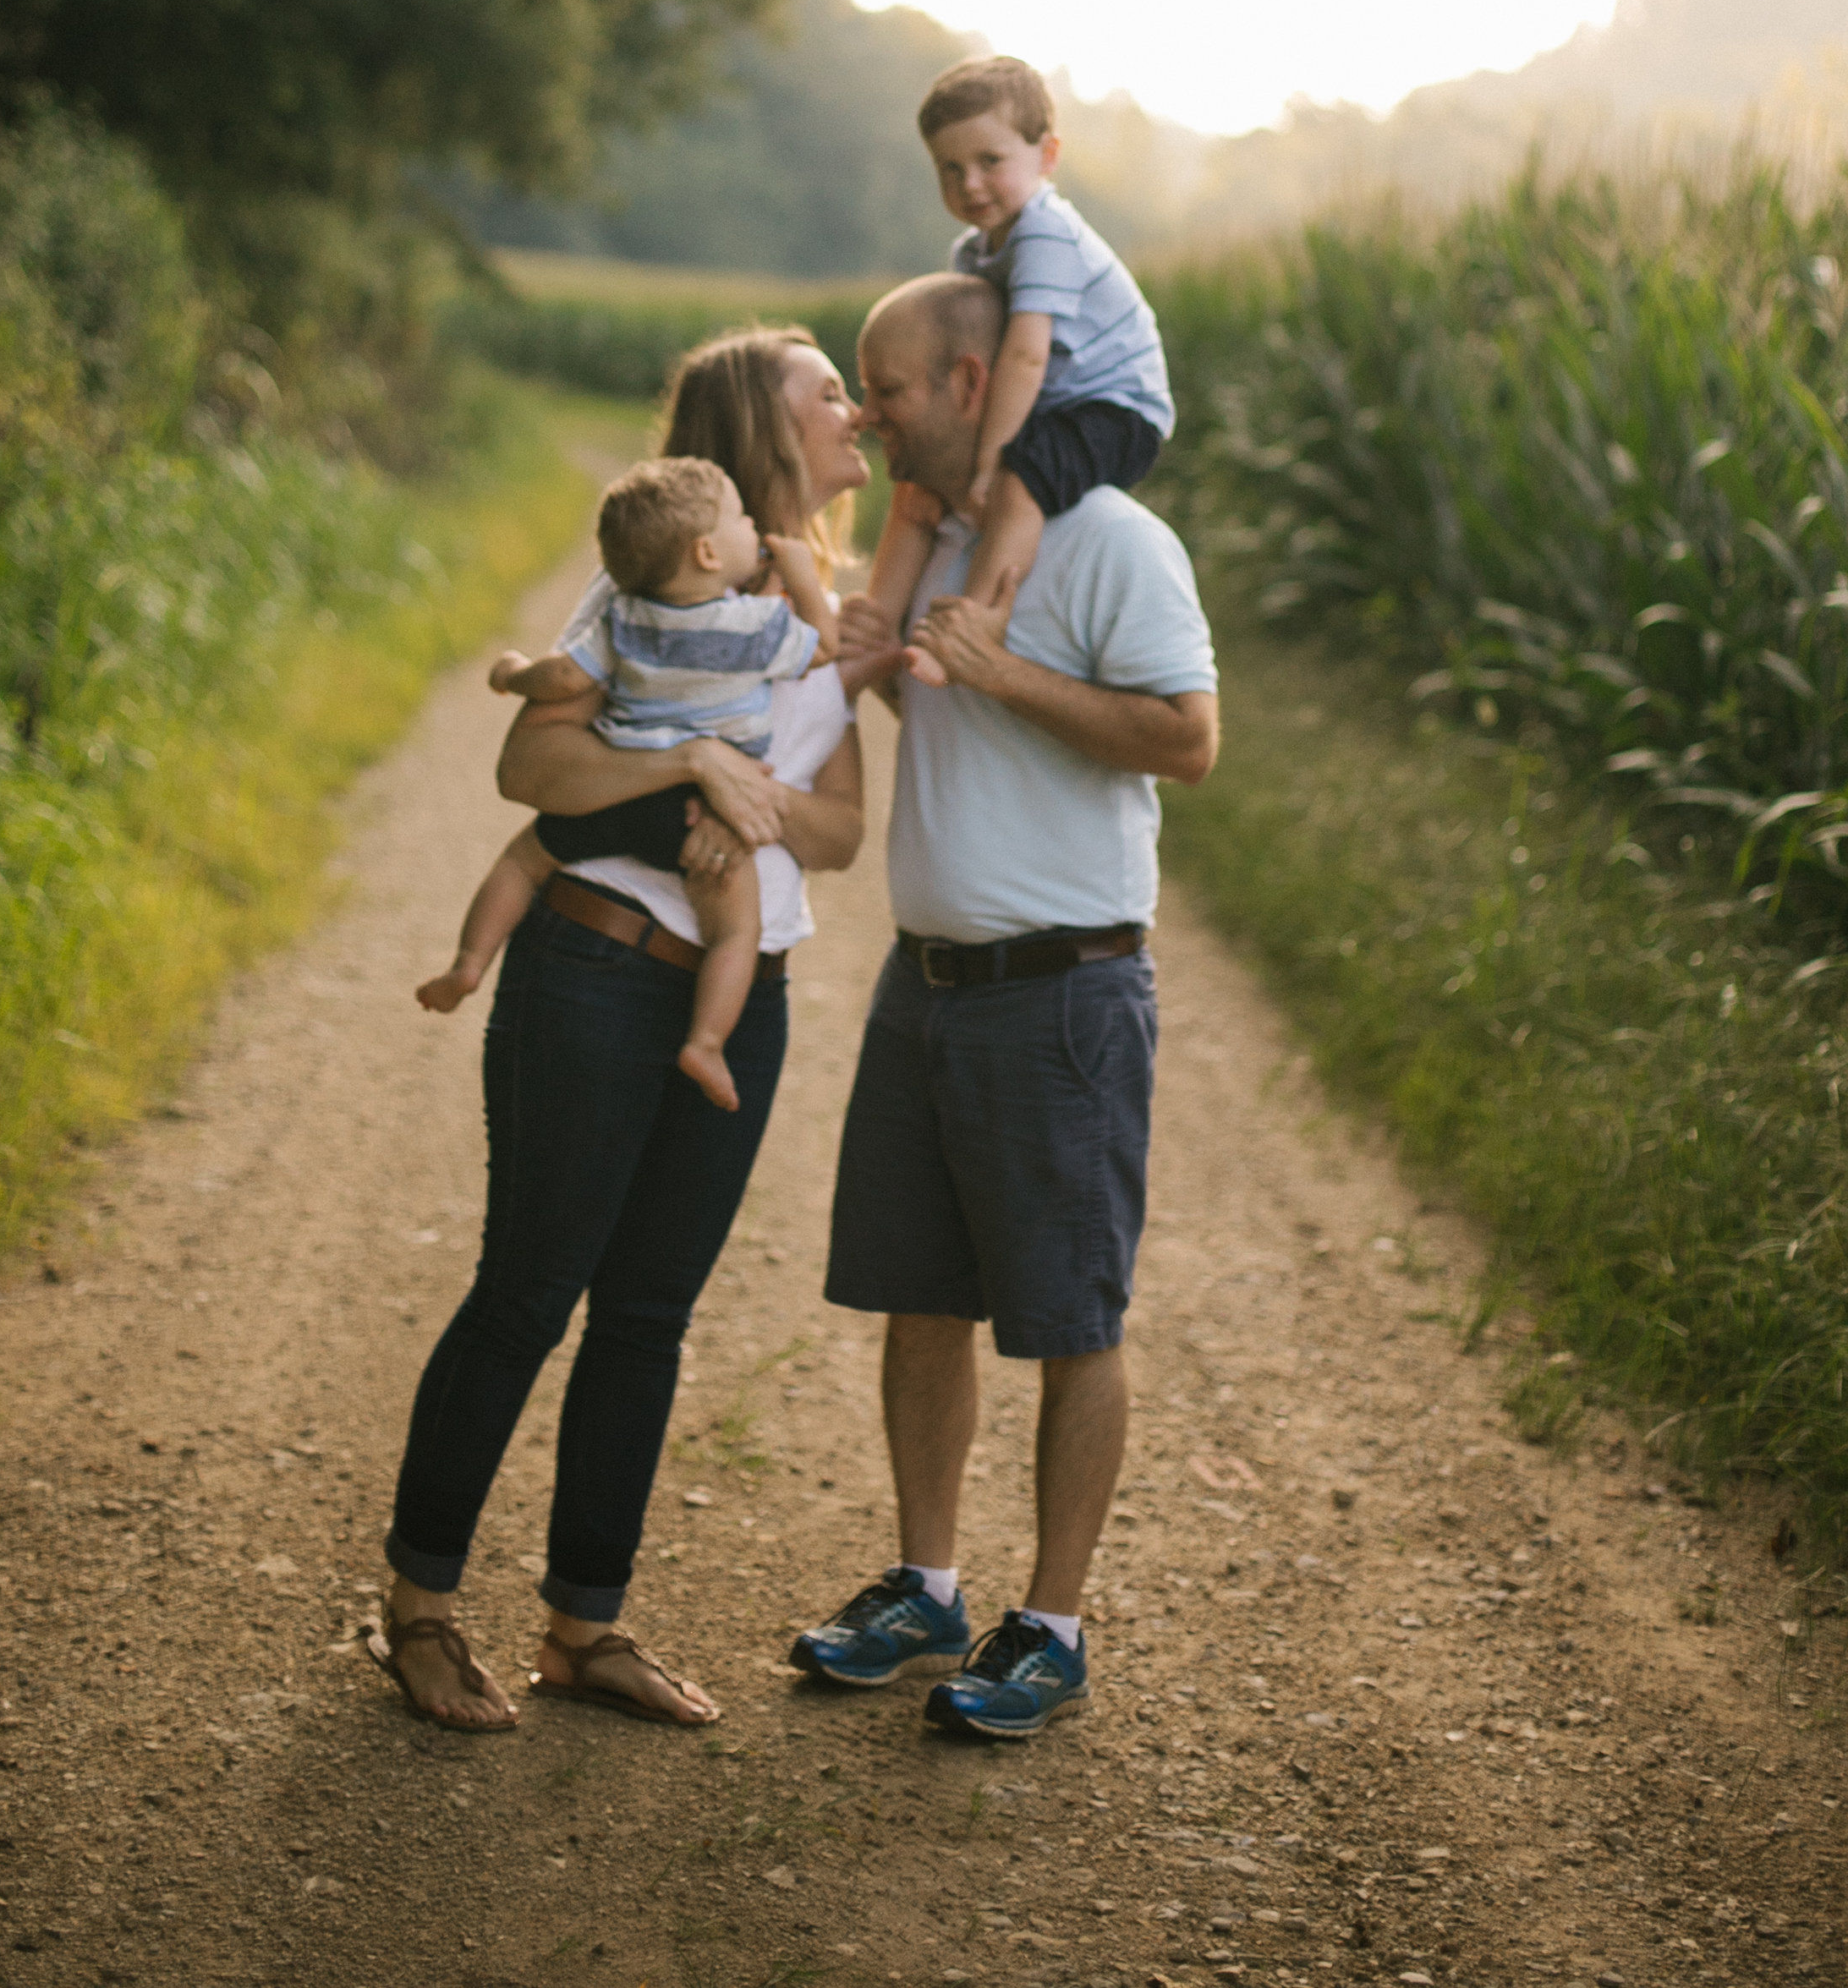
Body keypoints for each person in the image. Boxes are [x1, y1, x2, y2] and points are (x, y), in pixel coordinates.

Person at [367, 327, 869, 1733]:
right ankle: (417, 1613)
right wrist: (687, 767)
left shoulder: (822, 618)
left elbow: (837, 825)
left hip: (736, 989)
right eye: (826, 391)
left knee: (647, 1316)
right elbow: (531, 762)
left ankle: (583, 1629)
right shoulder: (650, 591)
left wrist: (746, 807)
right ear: (755, 436)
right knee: (528, 1290)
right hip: (591, 973)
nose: (855, 409)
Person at [793, 271, 1217, 1739]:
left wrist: (1006, 672)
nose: (867, 412)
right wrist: (890, 662)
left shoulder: (1113, 545)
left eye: (887, 387)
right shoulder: (943, 542)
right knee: (922, 1299)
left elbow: (1190, 738)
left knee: (1070, 1319)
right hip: (926, 990)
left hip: (1064, 997)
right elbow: (950, 709)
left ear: (974, 387)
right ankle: (928, 1586)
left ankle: (1053, 1625)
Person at [416, 457, 836, 1109]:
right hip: (700, 814)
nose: (752, 524)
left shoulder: (626, 616)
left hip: (622, 788)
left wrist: (512, 672)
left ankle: (470, 961)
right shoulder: (756, 626)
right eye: (740, 517)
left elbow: (563, 680)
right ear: (706, 551)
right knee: (736, 931)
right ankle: (706, 1041)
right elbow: (824, 647)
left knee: (525, 860)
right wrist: (804, 578)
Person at [861, 56, 1176, 685]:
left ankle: (976, 622)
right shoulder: (972, 251)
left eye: (990, 162)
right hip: (1053, 400)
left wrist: (987, 462)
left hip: (1116, 407)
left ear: (1047, 155)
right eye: (950, 169)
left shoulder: (1047, 236)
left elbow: (1026, 355)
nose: (969, 184)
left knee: (1020, 478)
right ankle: (874, 627)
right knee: (921, 479)